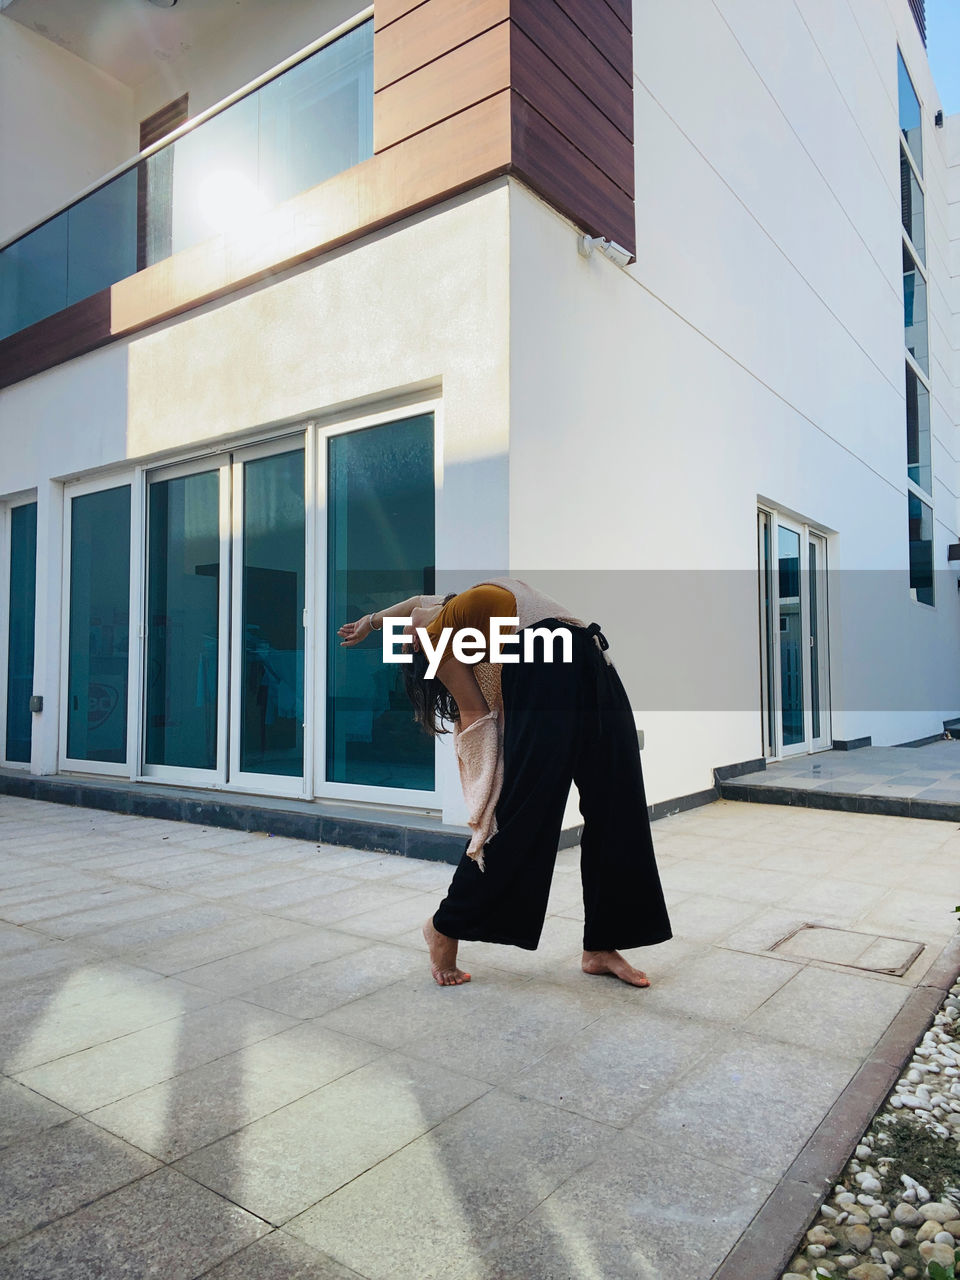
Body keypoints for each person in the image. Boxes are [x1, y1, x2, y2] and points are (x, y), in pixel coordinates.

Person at [338, 578, 672, 988]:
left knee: (620, 808)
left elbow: (410, 604)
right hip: (546, 675)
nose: (408, 635)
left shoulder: (456, 607)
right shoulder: (442, 639)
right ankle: (445, 926)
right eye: (409, 641)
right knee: (522, 814)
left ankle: (603, 946)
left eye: (407, 636)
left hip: (593, 663)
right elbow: (476, 718)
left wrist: (371, 622)